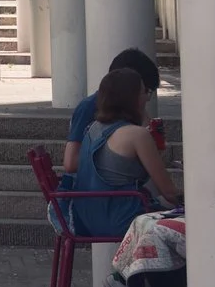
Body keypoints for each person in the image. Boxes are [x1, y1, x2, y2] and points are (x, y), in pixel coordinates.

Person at [62, 66, 179, 243]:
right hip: (121, 219)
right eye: (143, 92)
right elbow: (170, 192)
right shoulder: (137, 135)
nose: (147, 98)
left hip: (85, 218)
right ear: (131, 99)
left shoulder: (93, 128)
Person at [62, 47, 163, 173]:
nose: (147, 98)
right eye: (145, 91)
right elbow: (70, 163)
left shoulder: (130, 109)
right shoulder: (88, 107)